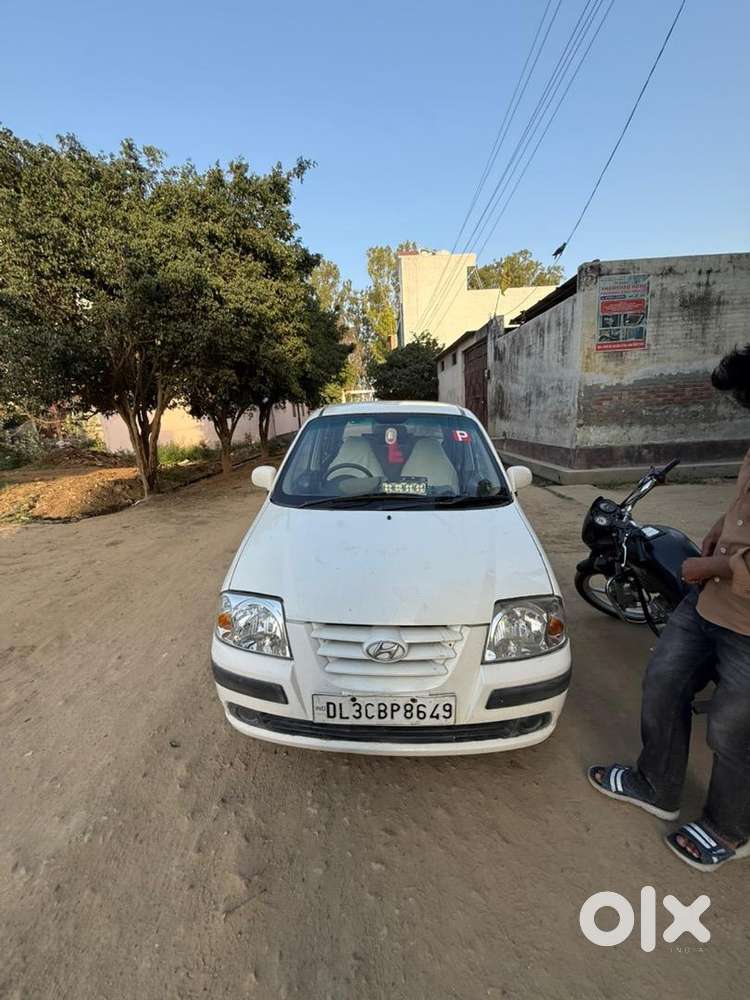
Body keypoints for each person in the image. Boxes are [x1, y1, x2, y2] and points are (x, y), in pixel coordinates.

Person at [588, 345, 750, 871]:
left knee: (732, 728)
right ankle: (656, 784)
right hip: (710, 606)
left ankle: (730, 827)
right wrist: (720, 532)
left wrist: (717, 569)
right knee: (663, 680)